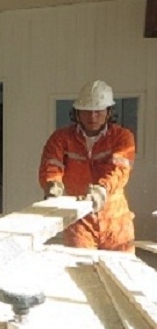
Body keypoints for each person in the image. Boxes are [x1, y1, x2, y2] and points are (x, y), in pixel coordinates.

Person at [39, 80, 135, 252]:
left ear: (109, 112)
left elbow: (119, 170)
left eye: (98, 111)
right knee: (82, 272)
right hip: (79, 219)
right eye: (87, 112)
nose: (92, 117)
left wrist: (102, 189)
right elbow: (51, 165)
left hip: (116, 221)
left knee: (122, 271)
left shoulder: (122, 137)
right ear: (77, 113)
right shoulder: (61, 138)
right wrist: (52, 185)